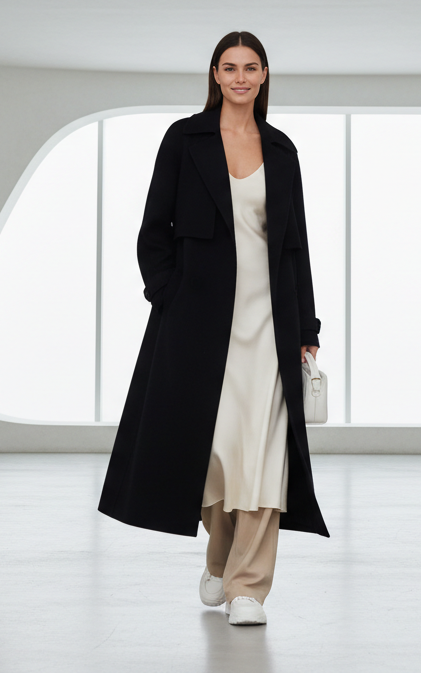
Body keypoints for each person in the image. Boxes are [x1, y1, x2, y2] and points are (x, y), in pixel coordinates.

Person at [99, 31, 328, 626]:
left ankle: (248, 588)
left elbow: (296, 247)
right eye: (230, 68)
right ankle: (221, 553)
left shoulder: (281, 151)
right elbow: (153, 230)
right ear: (215, 75)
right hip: (198, 323)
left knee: (264, 451)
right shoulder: (184, 139)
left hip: (270, 323)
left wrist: (307, 324)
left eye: (251, 68)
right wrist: (167, 295)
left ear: (265, 74)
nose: (241, 78)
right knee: (216, 450)